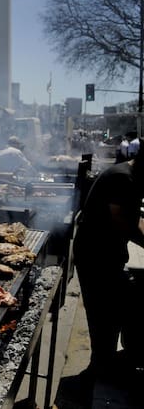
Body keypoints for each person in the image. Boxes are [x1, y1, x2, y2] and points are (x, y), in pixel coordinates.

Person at [73, 155, 144, 380]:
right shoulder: (123, 179)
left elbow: (133, 219)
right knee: (103, 314)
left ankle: (103, 364)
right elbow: (124, 223)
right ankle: (98, 369)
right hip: (97, 255)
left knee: (112, 311)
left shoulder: (129, 174)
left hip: (105, 253)